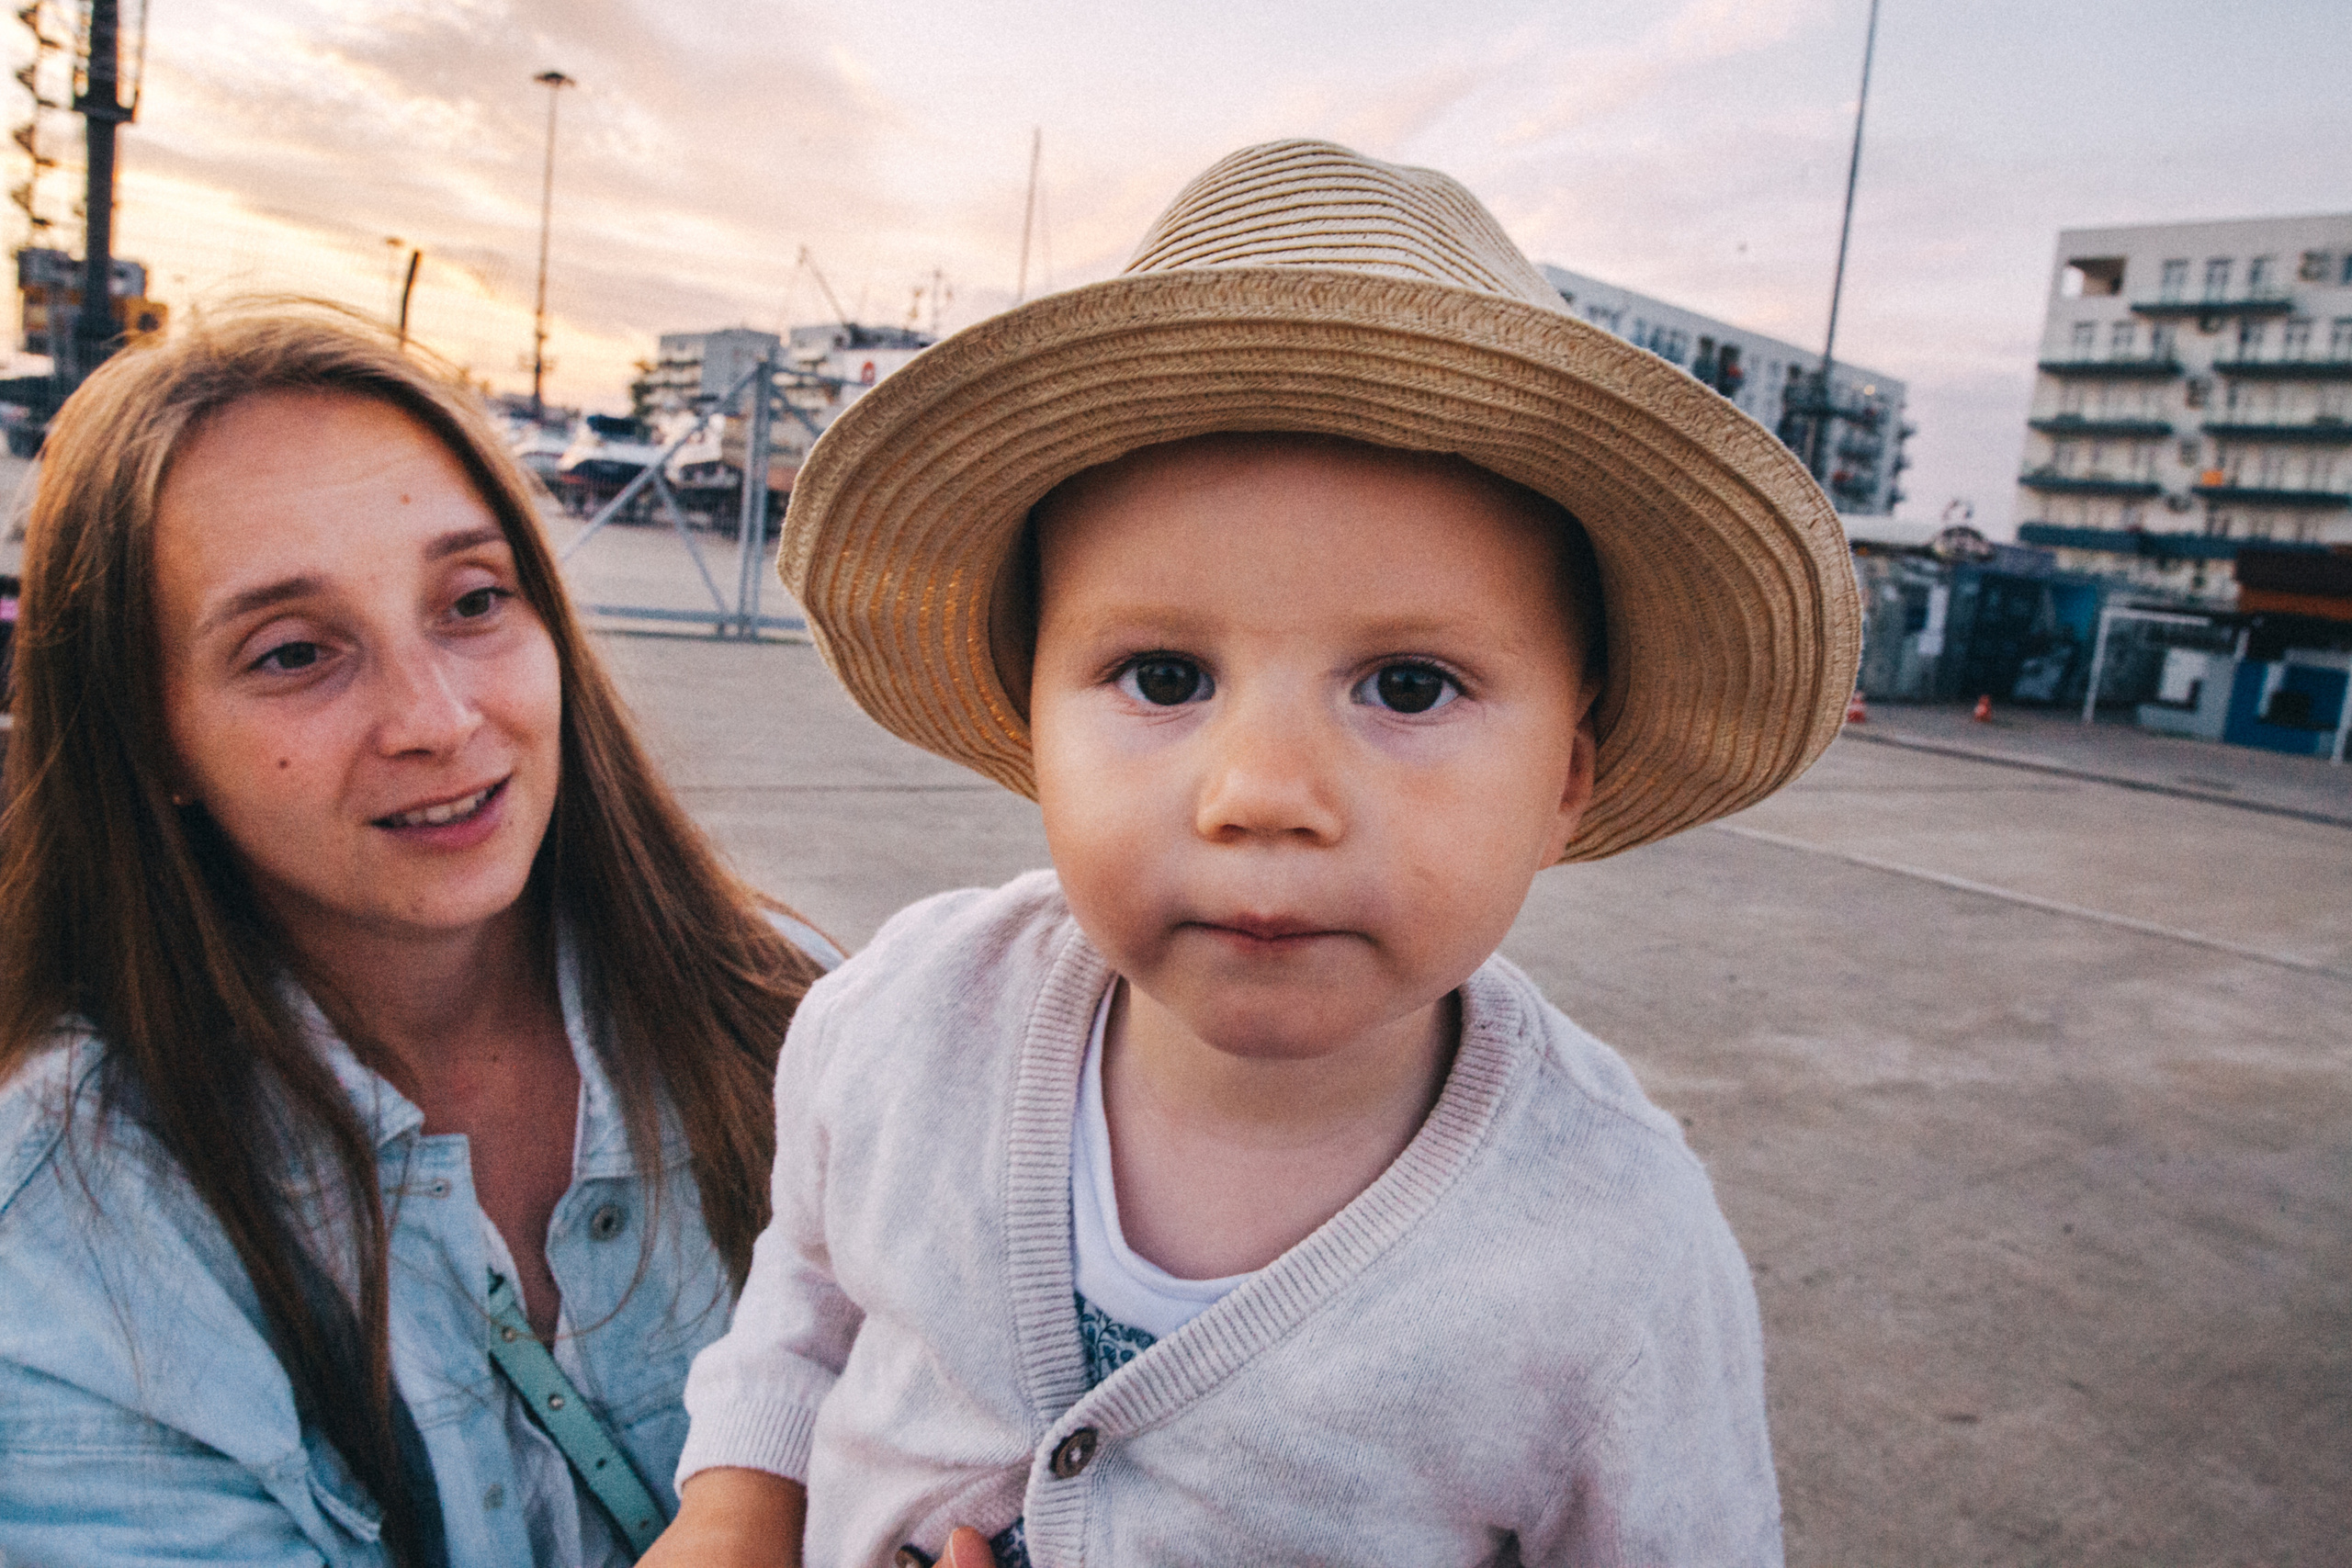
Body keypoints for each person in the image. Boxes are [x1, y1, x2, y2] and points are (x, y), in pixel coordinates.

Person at [656, 140, 1859, 1567]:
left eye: (1407, 688)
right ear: (1028, 719)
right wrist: (739, 1505)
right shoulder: (909, 1022)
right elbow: (807, 1289)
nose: (1263, 794)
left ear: (1567, 785)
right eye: (1164, 677)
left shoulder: (1618, 1256)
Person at [0, 309, 838, 1567]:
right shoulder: (70, 1239)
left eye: (472, 601)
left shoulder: (808, 1014)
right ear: (149, 730)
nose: (437, 719)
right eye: (294, 653)